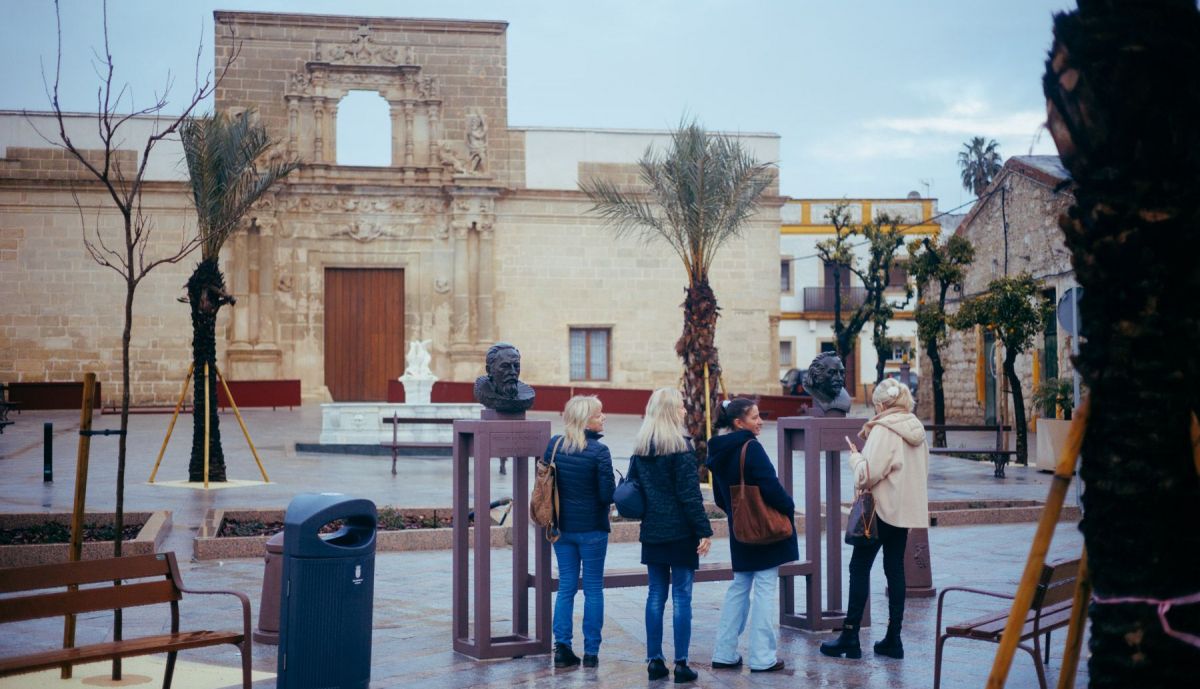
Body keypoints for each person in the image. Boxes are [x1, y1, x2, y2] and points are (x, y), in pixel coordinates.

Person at [819, 378, 929, 660]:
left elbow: (867, 474)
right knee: (895, 570)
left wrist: (855, 459)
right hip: (903, 512)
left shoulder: (884, 429)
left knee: (859, 567)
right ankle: (894, 638)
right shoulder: (916, 429)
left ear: (881, 404)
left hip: (879, 511)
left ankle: (850, 635)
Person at [626, 388, 713, 683]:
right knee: (682, 596)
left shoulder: (641, 448)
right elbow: (690, 495)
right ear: (669, 412)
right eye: (680, 407)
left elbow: (634, 489)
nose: (685, 411)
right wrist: (704, 530)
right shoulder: (681, 447)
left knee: (655, 594)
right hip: (680, 532)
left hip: (652, 530)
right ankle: (681, 664)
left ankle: (654, 661)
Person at [705, 397, 797, 673]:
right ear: (738, 422)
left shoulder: (718, 451)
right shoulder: (751, 448)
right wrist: (788, 507)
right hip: (765, 530)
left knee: (739, 587)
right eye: (755, 417)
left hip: (740, 529)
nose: (760, 422)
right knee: (766, 589)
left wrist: (738, 516)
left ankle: (724, 652)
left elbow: (721, 497)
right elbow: (771, 488)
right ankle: (762, 657)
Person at [544, 395, 615, 669]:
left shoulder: (554, 445)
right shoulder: (600, 451)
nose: (603, 417)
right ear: (585, 420)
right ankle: (591, 653)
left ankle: (562, 648)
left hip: (561, 529)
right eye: (599, 414)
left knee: (566, 587)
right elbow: (606, 495)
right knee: (594, 589)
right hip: (593, 530)